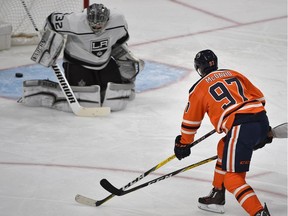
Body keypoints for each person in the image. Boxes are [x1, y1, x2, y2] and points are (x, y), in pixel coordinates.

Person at [174, 49, 273, 216]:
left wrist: (183, 143)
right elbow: (260, 99)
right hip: (261, 121)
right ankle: (218, 194)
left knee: (232, 179)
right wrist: (256, 130)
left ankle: (258, 213)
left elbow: (191, 123)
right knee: (223, 146)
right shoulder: (233, 73)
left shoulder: (198, 88)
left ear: (199, 68)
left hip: (241, 127)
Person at [21, 3, 144, 112]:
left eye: (100, 25)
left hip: (104, 62)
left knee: (112, 92)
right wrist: (49, 40)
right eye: (93, 26)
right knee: (86, 99)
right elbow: (51, 20)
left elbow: (119, 41)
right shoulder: (75, 21)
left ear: (107, 19)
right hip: (77, 63)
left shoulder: (118, 20)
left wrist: (123, 58)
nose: (96, 28)